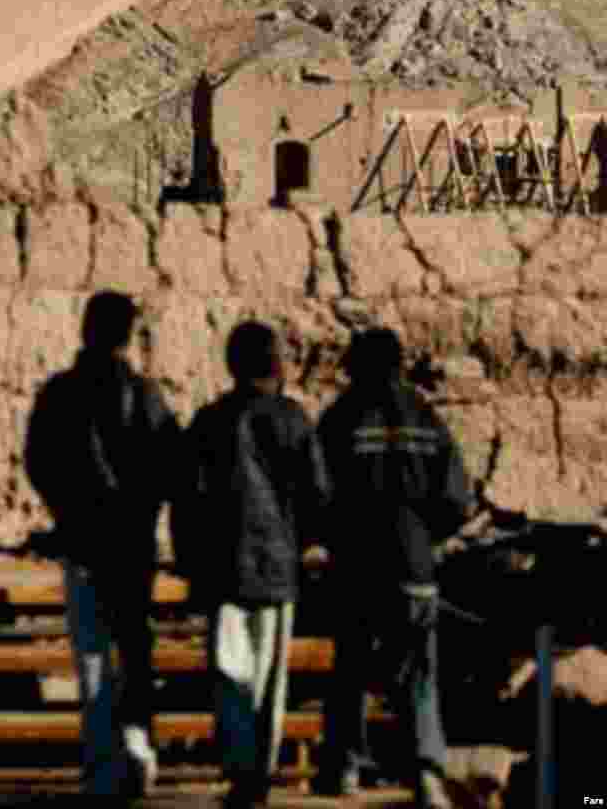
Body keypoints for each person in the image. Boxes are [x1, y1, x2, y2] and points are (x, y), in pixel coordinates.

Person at [24, 289, 180, 799]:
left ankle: (101, 761)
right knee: (134, 647)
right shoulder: (147, 395)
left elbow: (39, 463)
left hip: (82, 542)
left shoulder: (59, 393)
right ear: (129, 335)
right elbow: (169, 465)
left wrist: (67, 513)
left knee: (91, 656)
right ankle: (138, 745)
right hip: (131, 544)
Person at [171, 321, 330, 809]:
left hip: (225, 570)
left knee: (230, 674)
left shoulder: (210, 421)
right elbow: (318, 495)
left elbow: (187, 500)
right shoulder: (295, 419)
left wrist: (190, 562)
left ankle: (241, 773)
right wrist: (300, 543)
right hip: (279, 570)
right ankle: (259, 771)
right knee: (270, 679)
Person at [316, 327, 474, 809]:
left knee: (351, 671)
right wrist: (425, 540)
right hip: (414, 570)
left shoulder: (339, 418)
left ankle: (344, 768)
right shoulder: (428, 420)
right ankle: (425, 772)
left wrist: (336, 538)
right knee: (420, 674)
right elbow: (456, 501)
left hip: (358, 569)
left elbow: (316, 493)